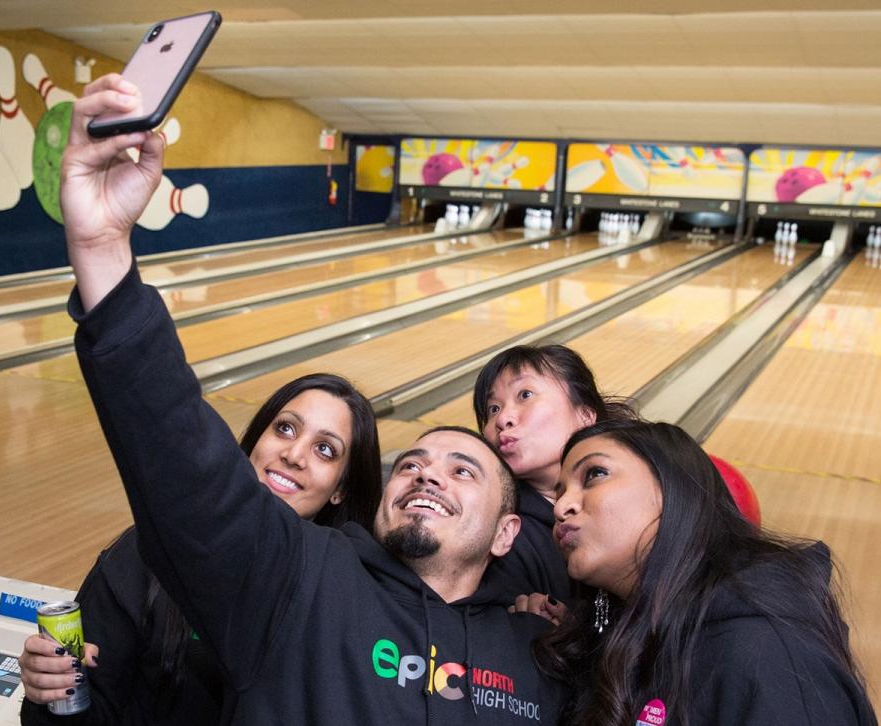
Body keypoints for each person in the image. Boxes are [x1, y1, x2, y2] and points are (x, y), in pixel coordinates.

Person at [50, 73, 565, 724]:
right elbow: (183, 455)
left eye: (463, 470)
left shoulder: (544, 653)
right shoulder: (298, 583)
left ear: (506, 533)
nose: (426, 472)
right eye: (410, 463)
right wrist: (101, 251)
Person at [19, 372, 384, 725]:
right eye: (285, 428)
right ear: (256, 441)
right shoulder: (148, 553)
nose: (294, 454)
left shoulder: (353, 598)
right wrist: (50, 693)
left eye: (325, 449)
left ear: (340, 489)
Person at [535, 419, 877, 726]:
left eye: (594, 474)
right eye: (559, 493)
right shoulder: (631, 641)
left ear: (672, 488)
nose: (562, 506)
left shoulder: (767, 654)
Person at [473, 345, 635, 602]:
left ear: (584, 415)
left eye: (525, 394)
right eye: (493, 409)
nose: (503, 419)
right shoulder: (501, 534)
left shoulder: (644, 491)